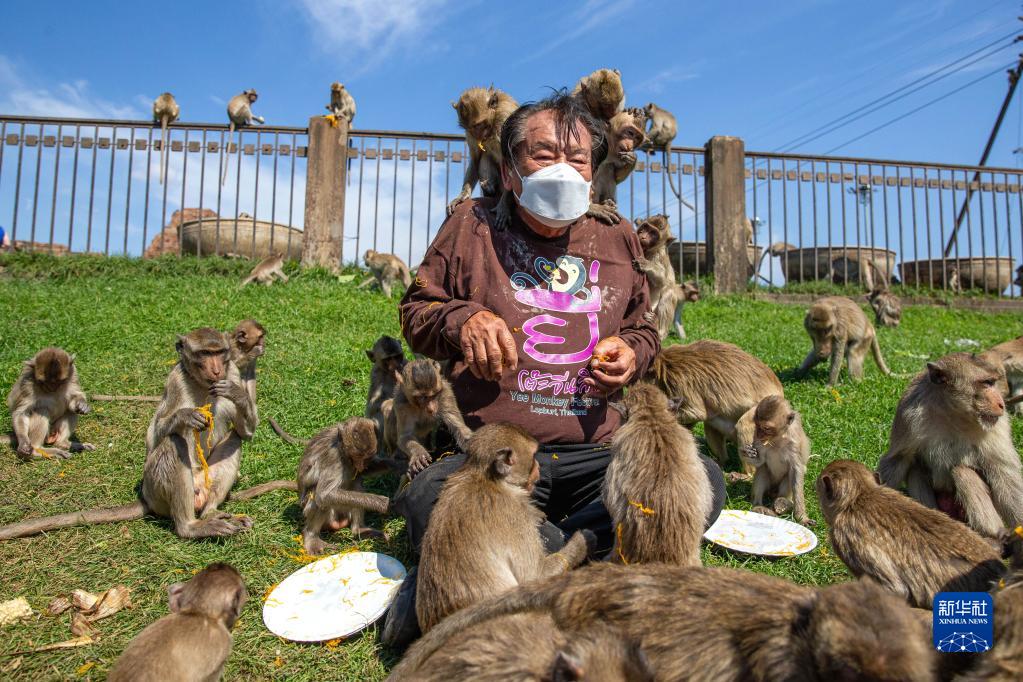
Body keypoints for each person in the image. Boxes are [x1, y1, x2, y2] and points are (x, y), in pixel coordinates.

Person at [384, 91, 725, 644]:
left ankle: (517, 560)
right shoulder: (472, 225)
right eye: (544, 155)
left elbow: (644, 328)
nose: (564, 170)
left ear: (595, 169)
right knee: (431, 498)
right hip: (498, 458)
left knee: (700, 482)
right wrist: (463, 320)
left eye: (579, 158)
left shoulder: (615, 233)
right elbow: (416, 311)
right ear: (511, 167)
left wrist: (634, 352)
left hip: (598, 453)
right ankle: (579, 559)